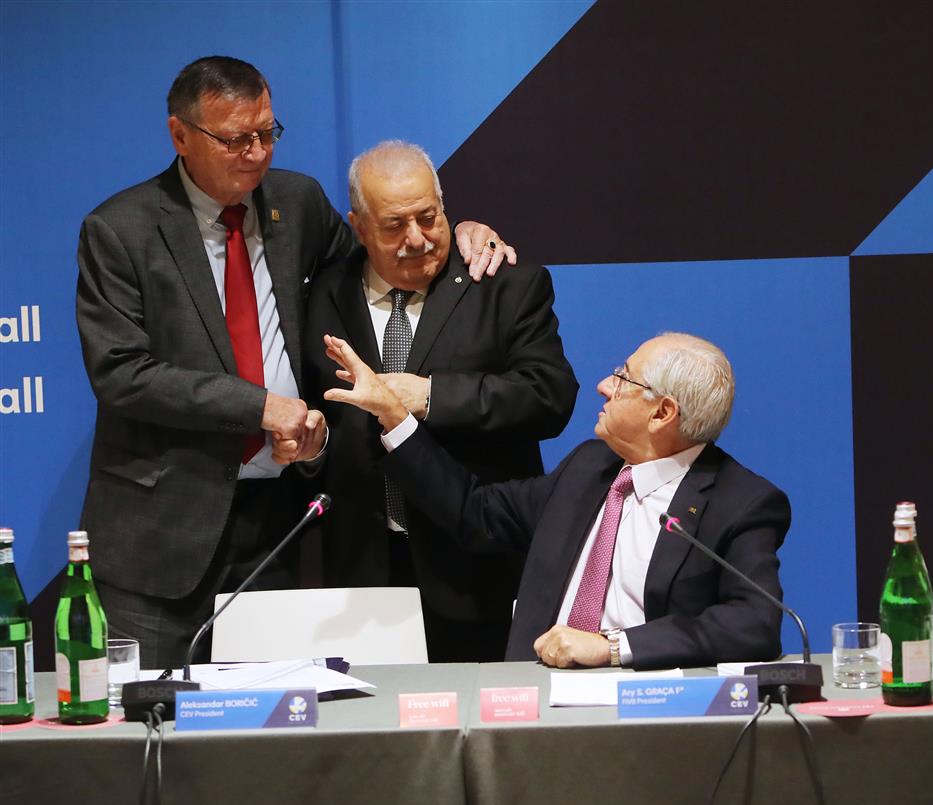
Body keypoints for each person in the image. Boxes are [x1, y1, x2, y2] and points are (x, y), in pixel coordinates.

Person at [75, 56, 510, 667]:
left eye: (267, 132)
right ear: (180, 135)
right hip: (162, 531)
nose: (256, 153)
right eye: (235, 139)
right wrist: (262, 408)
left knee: (267, 714)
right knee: (150, 714)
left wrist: (461, 234)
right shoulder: (121, 229)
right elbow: (121, 372)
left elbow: (383, 259)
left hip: (277, 523)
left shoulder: (296, 202)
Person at [320, 331, 790, 669]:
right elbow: (476, 512)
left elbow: (754, 623)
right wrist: (393, 416)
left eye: (624, 379)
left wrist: (612, 647)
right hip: (534, 698)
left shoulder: (741, 503)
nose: (605, 386)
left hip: (647, 709)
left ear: (662, 413)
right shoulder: (590, 467)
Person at [303, 141, 578, 662]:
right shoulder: (322, 293)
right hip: (361, 573)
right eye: (393, 226)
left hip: (476, 568)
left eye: (428, 217)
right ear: (358, 226)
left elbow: (550, 396)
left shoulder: (503, 283)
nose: (417, 239)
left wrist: (429, 396)